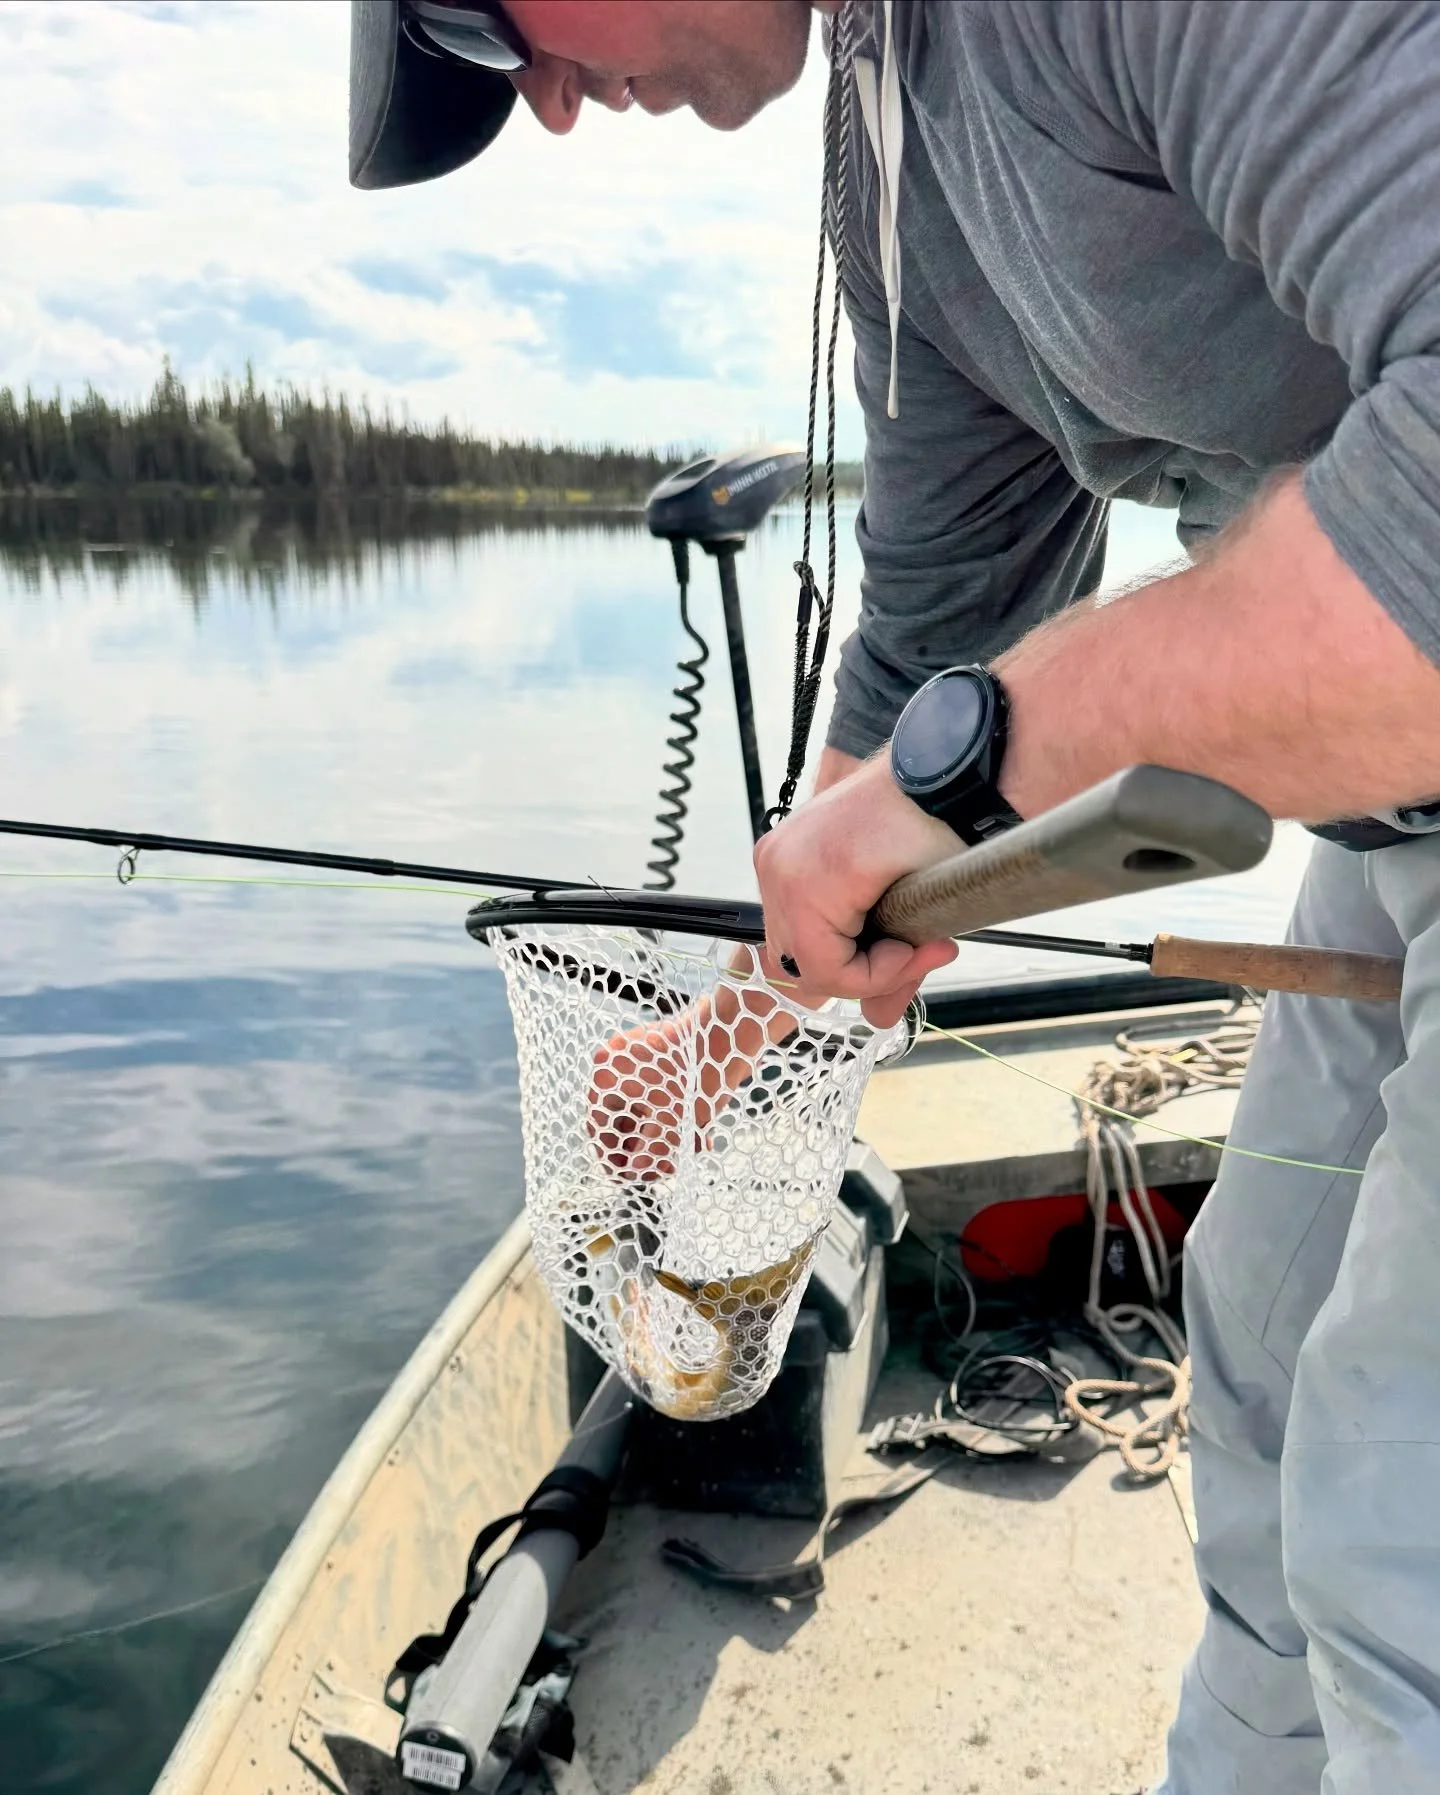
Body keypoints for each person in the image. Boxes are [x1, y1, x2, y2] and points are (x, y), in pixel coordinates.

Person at [349, 3, 1440, 1789]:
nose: (534, 99)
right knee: (1264, 1369)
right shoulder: (893, 148)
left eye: (485, 13)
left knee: (1404, 1523)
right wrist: (747, 1034)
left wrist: (999, 746)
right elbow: (939, 625)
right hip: (1390, 832)